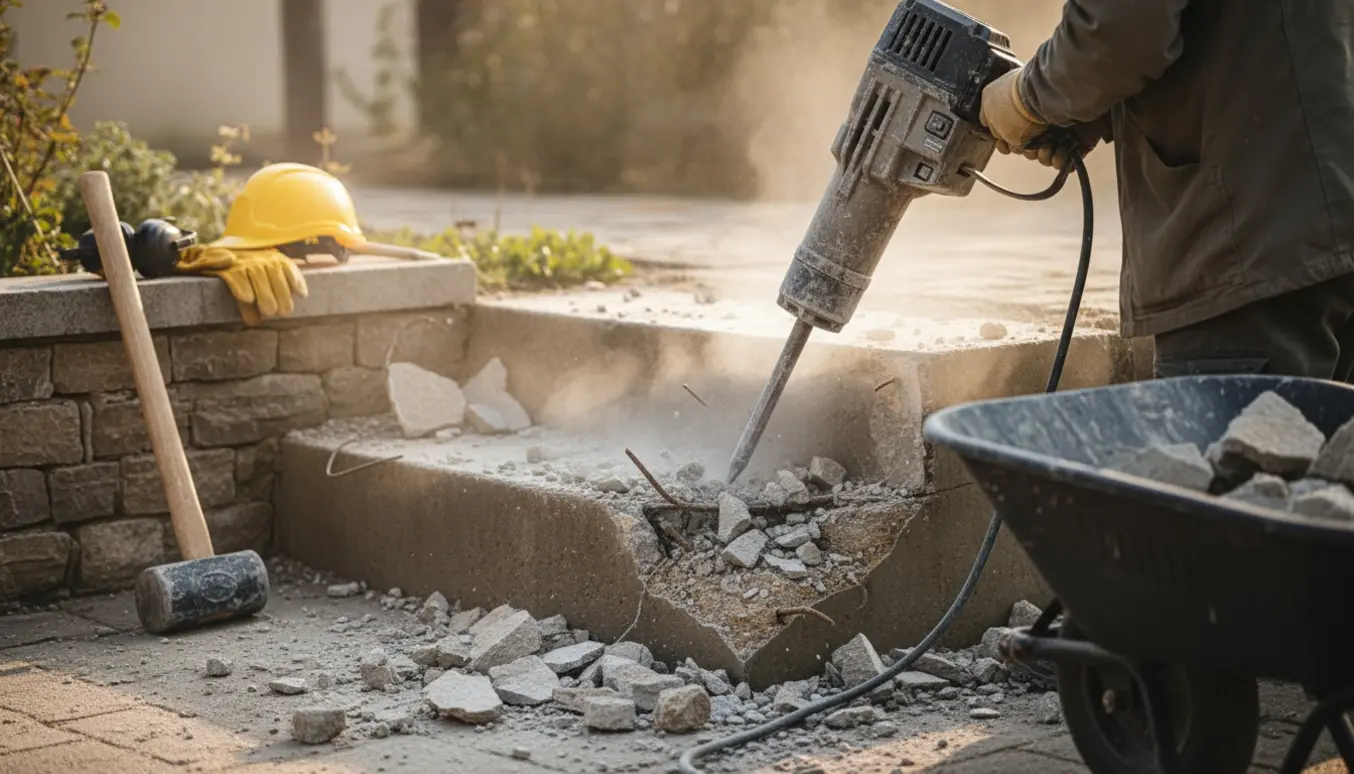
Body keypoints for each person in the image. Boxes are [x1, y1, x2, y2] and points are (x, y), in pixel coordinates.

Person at [977, 0, 1354, 381]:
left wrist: (1024, 99)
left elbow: (1119, 30)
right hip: (1325, 212)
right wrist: (1095, 110)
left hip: (1241, 245)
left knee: (1235, 437)